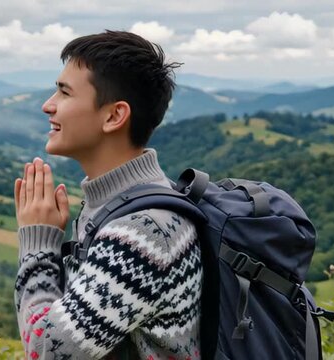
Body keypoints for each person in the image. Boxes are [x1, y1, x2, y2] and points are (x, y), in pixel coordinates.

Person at [13, 30, 201, 359]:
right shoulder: (121, 206)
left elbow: (47, 351)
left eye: (64, 93)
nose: (48, 106)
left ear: (114, 116)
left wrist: (38, 243)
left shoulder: (142, 233)